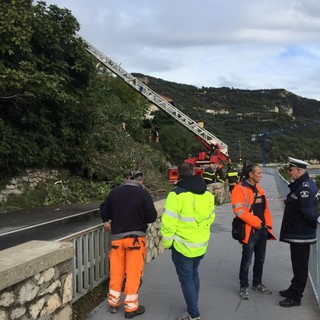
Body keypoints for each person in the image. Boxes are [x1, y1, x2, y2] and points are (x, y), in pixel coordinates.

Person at [161, 163, 215, 320]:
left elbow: (168, 223)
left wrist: (167, 243)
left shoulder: (176, 195)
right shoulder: (207, 194)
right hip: (200, 245)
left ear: (178, 174)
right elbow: (211, 218)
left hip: (182, 246)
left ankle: (193, 314)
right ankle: (194, 304)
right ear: (193, 173)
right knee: (193, 274)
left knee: (186, 279)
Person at [100, 170, 157, 319]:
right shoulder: (143, 194)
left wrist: (106, 221)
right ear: (141, 181)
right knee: (133, 274)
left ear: (126, 179)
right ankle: (131, 308)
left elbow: (104, 208)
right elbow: (151, 217)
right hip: (136, 241)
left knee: (116, 272)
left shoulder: (114, 193)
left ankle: (113, 304)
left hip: (117, 240)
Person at [231, 164, 276, 300]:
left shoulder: (259, 188)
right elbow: (239, 211)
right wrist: (257, 223)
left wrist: (267, 225)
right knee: (247, 260)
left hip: (262, 230)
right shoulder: (239, 189)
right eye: (259, 172)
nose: (261, 175)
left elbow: (265, 209)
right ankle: (243, 286)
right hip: (250, 230)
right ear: (251, 174)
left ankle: (257, 283)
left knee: (260, 259)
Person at [279, 157, 319, 307]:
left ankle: (295, 297)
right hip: (298, 233)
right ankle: (293, 289)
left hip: (301, 234)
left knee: (300, 266)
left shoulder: (304, 188)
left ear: (299, 171)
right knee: (297, 264)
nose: (289, 173)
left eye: (290, 170)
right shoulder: (300, 185)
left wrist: (311, 226)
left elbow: (309, 212)